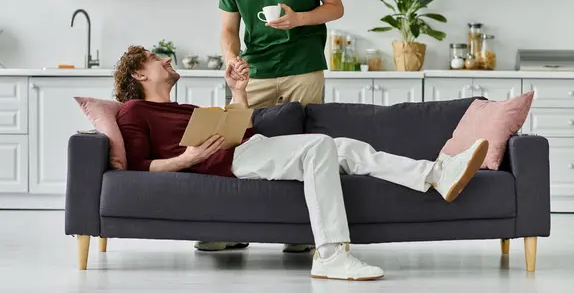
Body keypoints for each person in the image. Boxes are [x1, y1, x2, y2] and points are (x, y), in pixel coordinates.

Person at [114, 46, 490, 281]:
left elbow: (239, 124)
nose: (166, 59)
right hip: (233, 160)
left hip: (249, 146)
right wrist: (187, 159)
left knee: (346, 148)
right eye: (154, 58)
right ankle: (331, 254)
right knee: (318, 146)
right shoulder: (133, 110)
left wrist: (238, 93)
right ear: (139, 74)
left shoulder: (182, 107)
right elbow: (135, 165)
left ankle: (437, 175)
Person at [217, 0, 343, 253]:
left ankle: (300, 232)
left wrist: (299, 18)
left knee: (304, 149)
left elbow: (336, 8)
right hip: (254, 71)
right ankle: (233, 227)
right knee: (236, 144)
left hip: (303, 68)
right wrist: (231, 57)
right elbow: (228, 29)